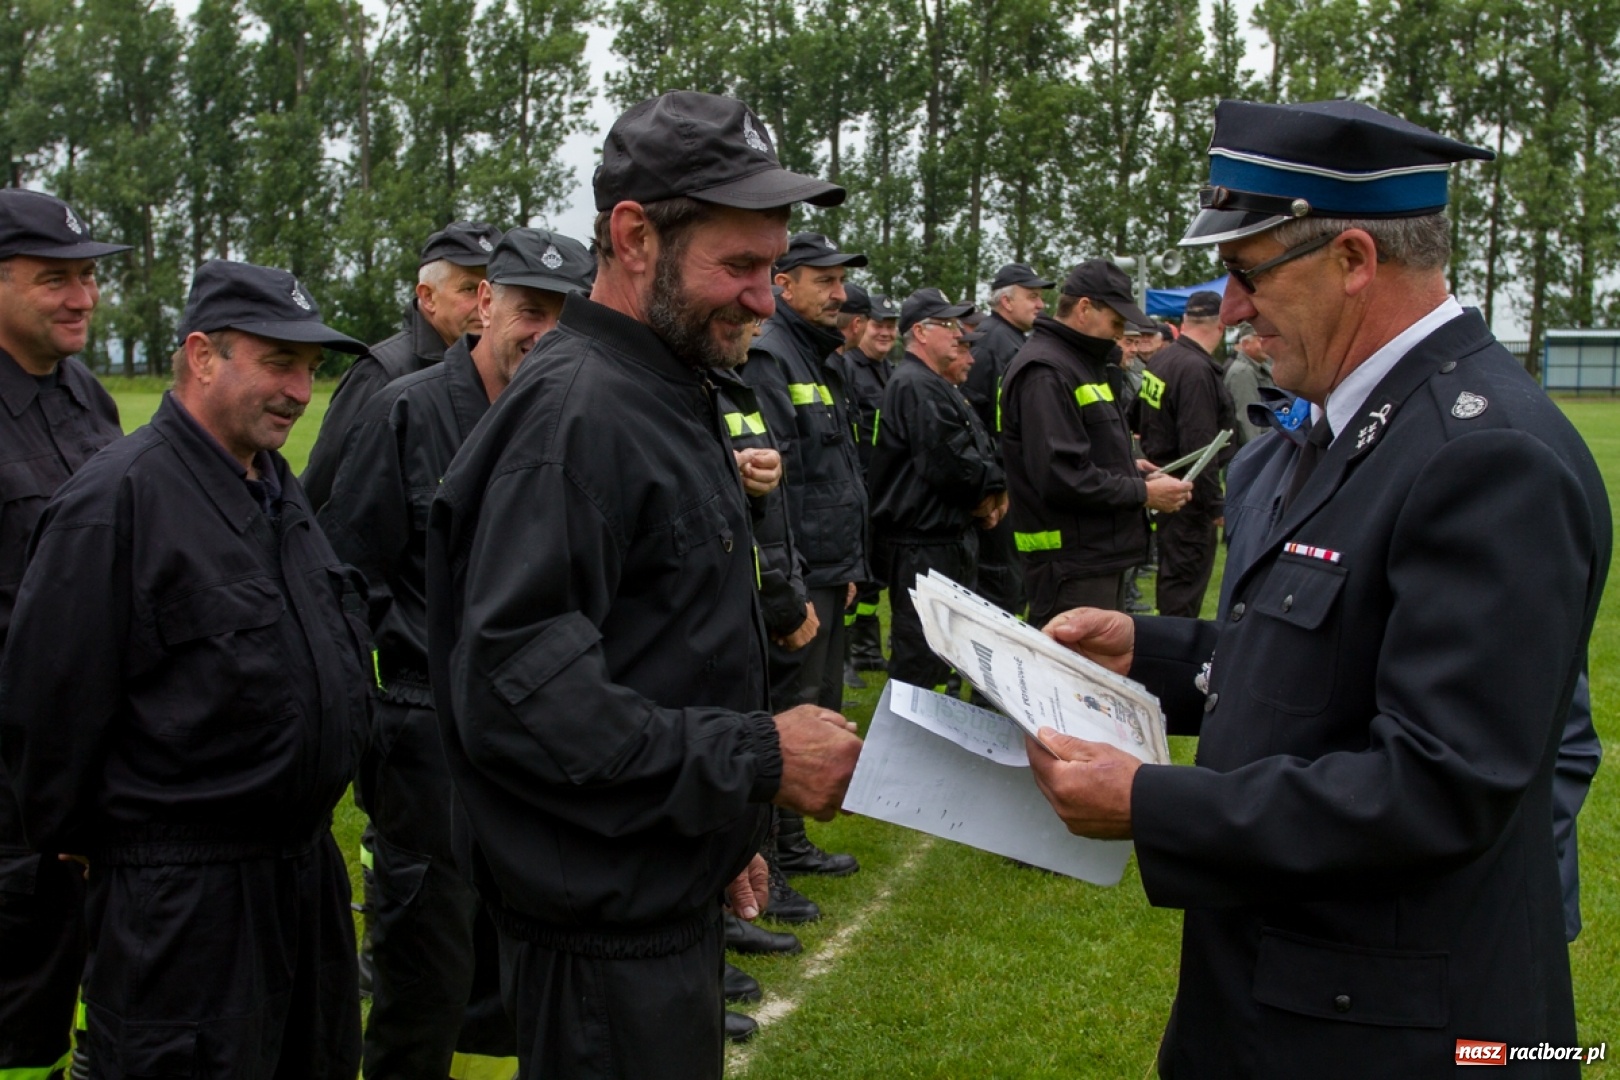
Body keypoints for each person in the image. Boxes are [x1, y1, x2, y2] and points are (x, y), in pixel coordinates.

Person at [1025, 99, 1609, 1078]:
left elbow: (1439, 783)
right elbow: (1322, 662)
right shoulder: (1335, 428)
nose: (1231, 307)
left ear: (1353, 259)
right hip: (1285, 991)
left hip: (1401, 1028)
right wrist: (1147, 651)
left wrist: (1155, 804)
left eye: (1248, 273)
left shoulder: (1484, 454)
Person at [422, 91, 863, 1080]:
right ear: (632, 237)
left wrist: (709, 834)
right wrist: (753, 759)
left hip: (650, 893)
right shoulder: (578, 419)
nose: (763, 297)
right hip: (598, 946)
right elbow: (523, 701)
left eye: (773, 267)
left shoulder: (662, 388)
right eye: (739, 267)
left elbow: (653, 649)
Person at [0, 260, 374, 1078]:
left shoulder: (277, 493)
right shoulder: (116, 503)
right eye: (278, 363)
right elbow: (46, 711)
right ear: (203, 356)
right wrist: (115, 853)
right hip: (185, 908)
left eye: (311, 368)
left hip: (302, 882)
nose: (300, 391)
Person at [320, 227, 593, 1079]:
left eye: (563, 319)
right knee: (424, 972)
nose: (542, 333)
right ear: (484, 306)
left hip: (542, 733)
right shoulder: (406, 411)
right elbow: (343, 580)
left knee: (528, 964)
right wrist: (361, 730)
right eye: (527, 311)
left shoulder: (575, 423)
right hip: (426, 736)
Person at [0, 188, 129, 1080]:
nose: (83, 297)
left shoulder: (90, 397)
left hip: (97, 759)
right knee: (15, 999)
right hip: (7, 779)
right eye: (56, 279)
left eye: (87, 278)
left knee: (96, 976)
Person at [741, 230, 870, 879]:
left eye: (841, 282)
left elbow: (835, 476)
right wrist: (789, 586)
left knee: (816, 707)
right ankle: (767, 853)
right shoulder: (770, 357)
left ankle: (789, 845)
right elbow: (775, 488)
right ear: (782, 284)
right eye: (826, 281)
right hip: (796, 575)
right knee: (786, 713)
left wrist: (845, 568)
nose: (840, 295)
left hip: (826, 570)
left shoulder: (819, 358)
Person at [999, 260, 1191, 629]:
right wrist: (1143, 494)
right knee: (1071, 679)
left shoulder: (1078, 363)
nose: (1120, 336)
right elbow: (1060, 476)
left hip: (1093, 557)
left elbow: (1078, 448)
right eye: (1117, 324)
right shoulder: (1047, 371)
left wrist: (1127, 466)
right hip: (1071, 565)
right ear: (1085, 308)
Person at [303, 221, 503, 508]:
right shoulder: (381, 374)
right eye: (470, 289)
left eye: (493, 290)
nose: (485, 304)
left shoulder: (504, 370)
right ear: (428, 297)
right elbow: (323, 493)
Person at [868, 289, 1007, 690]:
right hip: (922, 544)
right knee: (920, 658)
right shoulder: (915, 384)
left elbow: (980, 449)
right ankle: (901, 748)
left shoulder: (934, 383)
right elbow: (951, 465)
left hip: (944, 540)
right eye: (949, 326)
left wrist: (995, 487)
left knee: (942, 652)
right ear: (920, 332)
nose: (959, 334)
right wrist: (991, 490)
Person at [1135, 288, 1237, 617]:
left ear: (1184, 320)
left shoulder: (1163, 359)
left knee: (1173, 581)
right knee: (1183, 590)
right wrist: (1214, 505)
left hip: (1162, 482)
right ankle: (1173, 662)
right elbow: (1201, 447)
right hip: (1187, 495)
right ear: (1221, 325)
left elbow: (1134, 415)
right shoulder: (1196, 370)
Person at [828, 288, 899, 684]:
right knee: (852, 580)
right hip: (858, 490)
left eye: (892, 325)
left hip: (882, 493)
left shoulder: (889, 371)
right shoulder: (848, 367)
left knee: (874, 582)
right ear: (862, 325)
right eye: (879, 325)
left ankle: (867, 650)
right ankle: (843, 658)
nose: (886, 332)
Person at [1224, 322, 1277, 444]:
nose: (1265, 344)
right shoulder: (1242, 373)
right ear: (1245, 344)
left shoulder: (1261, 367)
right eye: (1260, 340)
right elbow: (1247, 422)